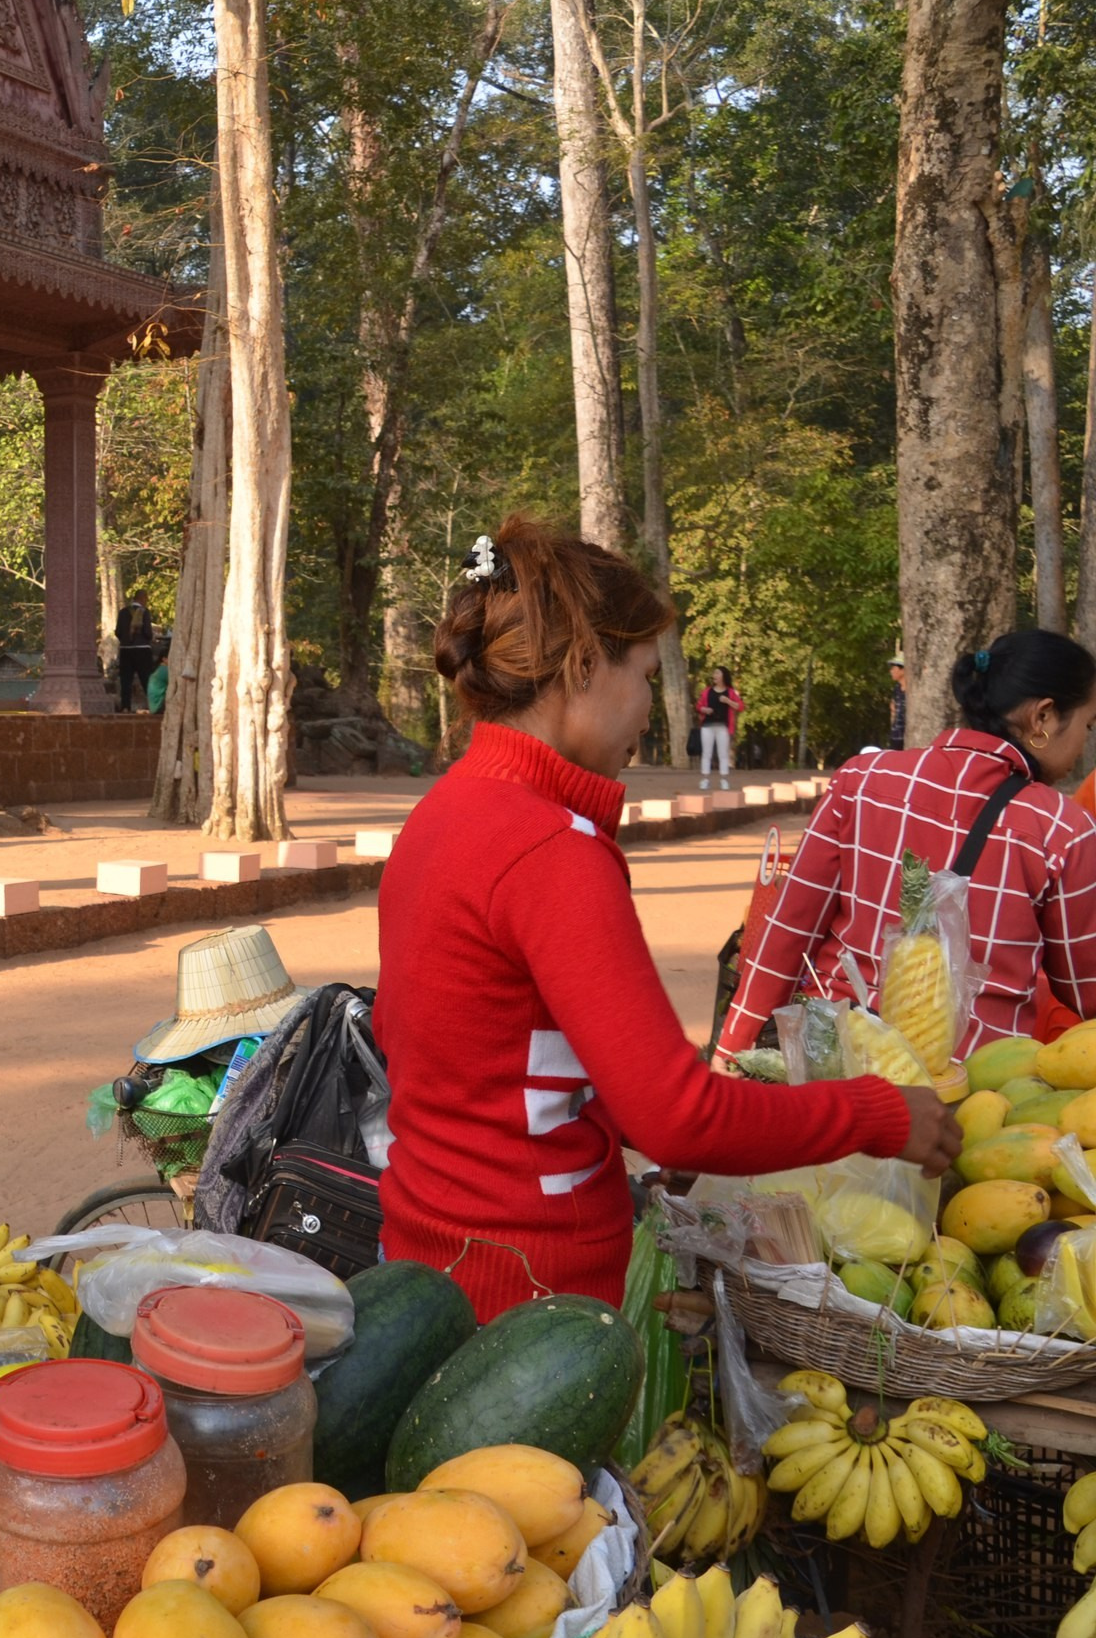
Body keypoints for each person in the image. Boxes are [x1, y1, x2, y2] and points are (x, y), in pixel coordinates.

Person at [375, 518, 958, 1321]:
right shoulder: (550, 848)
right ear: (584, 665)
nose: (650, 709)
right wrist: (876, 1114)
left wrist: (624, 1113)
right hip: (531, 1292)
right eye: (646, 676)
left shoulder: (448, 812)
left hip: (433, 1260)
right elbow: (681, 1119)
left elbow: (506, 1052)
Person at [718, 629, 1096, 1064]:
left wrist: (734, 1045)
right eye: (1088, 725)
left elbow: (789, 929)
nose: (1085, 745)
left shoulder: (861, 780)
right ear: (1044, 717)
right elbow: (1086, 990)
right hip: (968, 1090)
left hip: (839, 1063)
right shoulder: (1061, 828)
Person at [696, 666, 743, 791]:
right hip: (707, 726)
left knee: (723, 754)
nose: (714, 675)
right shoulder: (707, 691)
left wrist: (728, 701)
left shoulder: (730, 692)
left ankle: (724, 780)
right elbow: (699, 706)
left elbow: (740, 706)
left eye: (717, 673)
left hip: (723, 727)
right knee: (706, 753)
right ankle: (705, 779)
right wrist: (704, 710)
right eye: (714, 673)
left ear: (723, 676)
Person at [114, 594, 155, 713]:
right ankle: (153, 706)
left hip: (126, 649)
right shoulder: (144, 612)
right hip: (142, 649)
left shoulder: (122, 612)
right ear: (142, 599)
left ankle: (125, 707)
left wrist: (126, 640)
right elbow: (148, 632)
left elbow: (118, 631)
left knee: (126, 680)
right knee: (146, 679)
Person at [889, 653, 908, 750]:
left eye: (894, 668)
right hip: (896, 737)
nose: (891, 671)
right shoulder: (897, 689)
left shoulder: (913, 690)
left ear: (903, 669)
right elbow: (893, 710)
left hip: (907, 736)